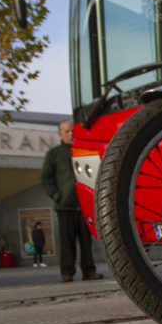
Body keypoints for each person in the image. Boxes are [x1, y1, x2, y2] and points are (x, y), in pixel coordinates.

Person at [41, 120, 103, 283]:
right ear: (60, 134)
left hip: (84, 204)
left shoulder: (83, 150)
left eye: (72, 131)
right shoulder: (54, 154)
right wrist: (56, 195)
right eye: (67, 131)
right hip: (65, 206)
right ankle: (67, 272)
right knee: (67, 242)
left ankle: (89, 270)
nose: (70, 134)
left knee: (86, 241)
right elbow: (46, 178)